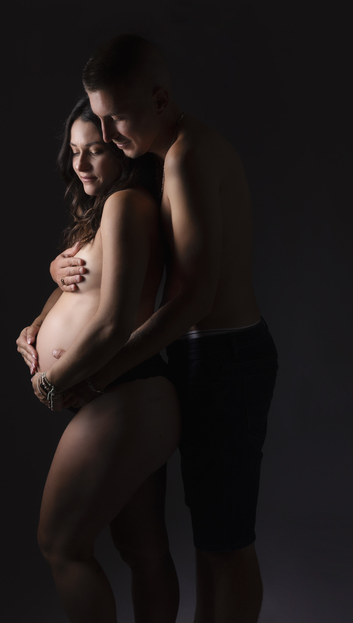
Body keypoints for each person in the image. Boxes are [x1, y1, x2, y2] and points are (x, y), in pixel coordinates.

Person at [45, 34, 279, 623]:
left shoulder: (188, 156)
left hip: (225, 356)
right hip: (199, 356)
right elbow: (109, 256)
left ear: (159, 98)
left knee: (226, 542)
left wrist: (99, 378)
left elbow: (196, 298)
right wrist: (57, 273)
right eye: (99, 119)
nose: (107, 134)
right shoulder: (159, 155)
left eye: (117, 118)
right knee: (208, 540)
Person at [17, 95, 181, 622]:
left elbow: (114, 323)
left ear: (123, 151)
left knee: (60, 545)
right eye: (74, 151)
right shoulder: (107, 210)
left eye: (95, 151)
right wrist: (38, 325)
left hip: (125, 390)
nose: (80, 164)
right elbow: (83, 291)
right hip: (129, 396)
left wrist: (50, 382)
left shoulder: (125, 204)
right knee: (143, 549)